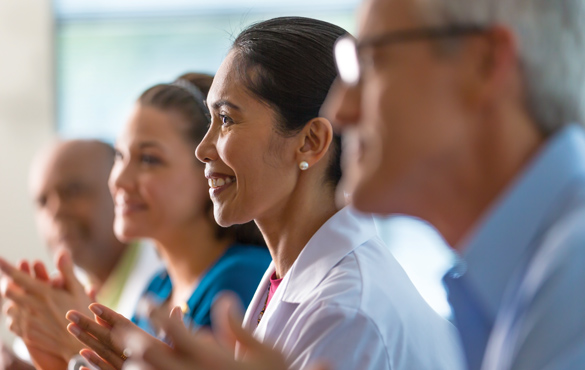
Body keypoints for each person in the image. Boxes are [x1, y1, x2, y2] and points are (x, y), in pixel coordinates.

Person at [104, 0, 585, 369]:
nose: (343, 110)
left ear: (484, 64)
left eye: (371, 64)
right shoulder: (524, 277)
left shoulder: (571, 276)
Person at [67, 17, 463, 370]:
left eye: (226, 119)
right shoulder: (289, 275)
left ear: (310, 141)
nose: (203, 149)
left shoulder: (346, 314)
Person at [1, 73, 271, 370]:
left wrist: (80, 344)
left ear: (207, 168)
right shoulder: (157, 289)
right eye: (119, 155)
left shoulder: (242, 279)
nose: (119, 180)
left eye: (149, 159)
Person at [0, 139, 162, 370]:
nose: (55, 211)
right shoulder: (52, 299)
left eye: (73, 191)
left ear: (119, 189)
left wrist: (80, 348)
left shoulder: (170, 282)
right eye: (42, 201)